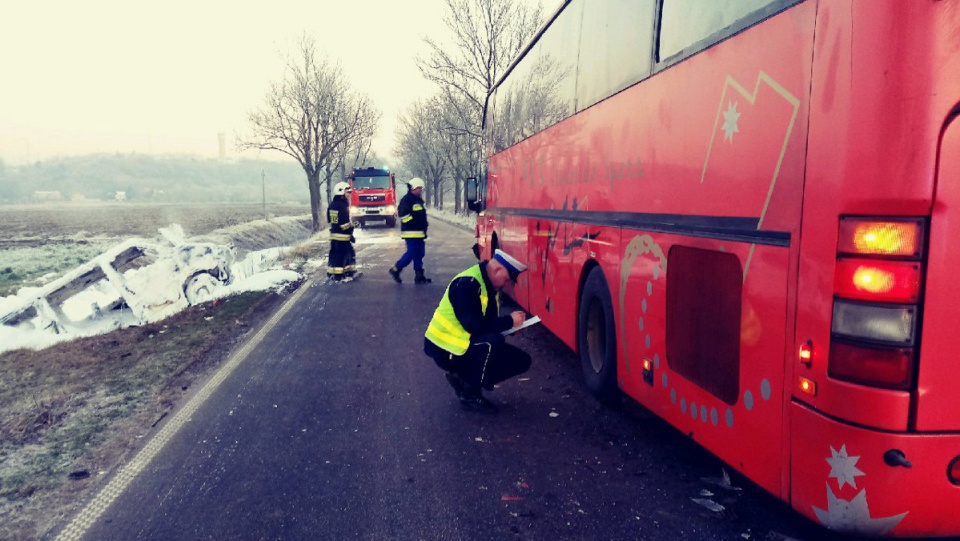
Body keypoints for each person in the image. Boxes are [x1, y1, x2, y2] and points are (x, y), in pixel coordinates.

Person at [424, 249, 533, 413]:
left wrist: (512, 328)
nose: (506, 285)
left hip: (463, 345)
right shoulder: (466, 284)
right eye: (507, 279)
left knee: (522, 360)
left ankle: (463, 379)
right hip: (445, 350)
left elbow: (488, 323)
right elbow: (474, 326)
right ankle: (470, 393)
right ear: (497, 270)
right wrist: (509, 320)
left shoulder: (489, 286)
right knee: (493, 343)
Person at [389, 177, 431, 284]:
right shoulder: (407, 200)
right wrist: (415, 223)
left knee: (420, 253)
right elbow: (403, 215)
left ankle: (419, 275)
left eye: (421, 188)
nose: (421, 190)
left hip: (419, 232)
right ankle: (396, 269)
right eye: (419, 188)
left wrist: (423, 225)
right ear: (413, 188)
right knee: (411, 253)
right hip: (411, 232)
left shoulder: (418, 200)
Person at [327, 181, 357, 281]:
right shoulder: (342, 205)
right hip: (342, 236)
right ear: (341, 192)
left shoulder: (332, 205)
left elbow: (331, 220)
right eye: (347, 192)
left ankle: (334, 272)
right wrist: (353, 225)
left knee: (335, 253)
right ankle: (339, 275)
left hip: (334, 235)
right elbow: (343, 224)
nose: (349, 194)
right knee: (344, 254)